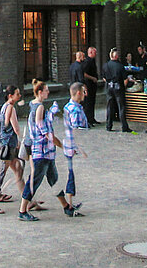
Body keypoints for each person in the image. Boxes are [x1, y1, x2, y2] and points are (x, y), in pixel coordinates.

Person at [19, 80, 70, 221]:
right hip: (41, 152)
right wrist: (62, 145)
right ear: (40, 92)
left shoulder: (33, 105)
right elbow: (45, 132)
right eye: (46, 90)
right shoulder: (39, 107)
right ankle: (22, 211)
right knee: (34, 181)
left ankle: (66, 207)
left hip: (46, 152)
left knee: (54, 179)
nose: (48, 92)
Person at [0, 85, 25, 215]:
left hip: (8, 145)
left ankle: (28, 201)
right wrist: (20, 140)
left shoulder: (3, 107)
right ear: (10, 96)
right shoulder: (10, 108)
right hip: (8, 146)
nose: (19, 96)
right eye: (17, 94)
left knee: (18, 171)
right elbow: (16, 127)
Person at [58, 81, 89, 217]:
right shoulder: (75, 110)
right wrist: (81, 148)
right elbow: (76, 130)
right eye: (83, 92)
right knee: (70, 175)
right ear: (78, 93)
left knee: (71, 174)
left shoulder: (68, 106)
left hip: (68, 144)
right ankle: (69, 205)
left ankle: (70, 202)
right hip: (72, 146)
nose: (84, 94)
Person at [102, 48, 133, 132]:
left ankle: (108, 125)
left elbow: (104, 78)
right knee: (121, 107)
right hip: (119, 88)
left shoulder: (106, 65)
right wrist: (124, 87)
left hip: (109, 87)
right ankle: (124, 126)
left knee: (109, 107)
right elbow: (125, 79)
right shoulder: (120, 66)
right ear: (116, 56)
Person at [83, 47, 100, 126]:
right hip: (89, 85)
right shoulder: (87, 62)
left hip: (93, 85)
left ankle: (92, 118)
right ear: (91, 52)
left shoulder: (92, 61)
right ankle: (88, 120)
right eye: (95, 52)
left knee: (92, 102)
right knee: (88, 103)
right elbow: (84, 74)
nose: (96, 54)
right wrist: (93, 78)